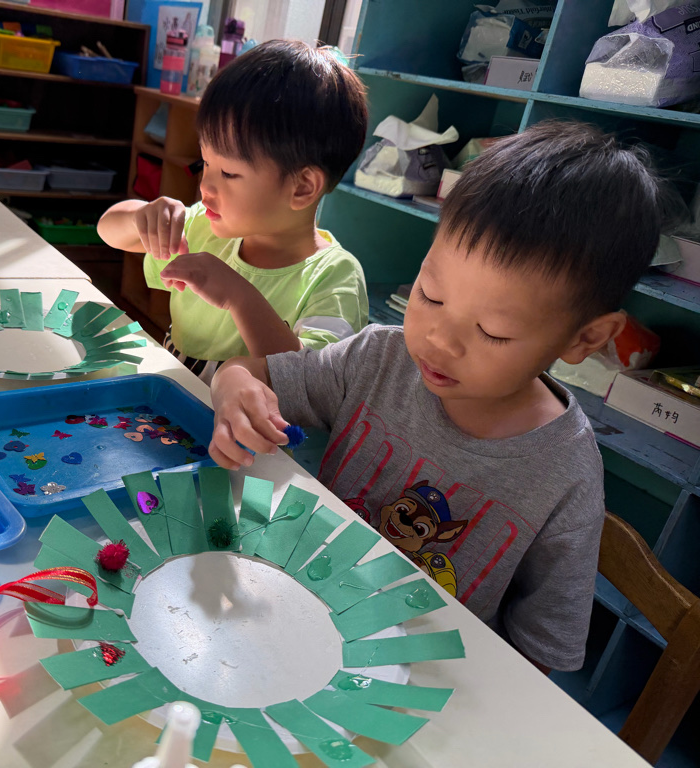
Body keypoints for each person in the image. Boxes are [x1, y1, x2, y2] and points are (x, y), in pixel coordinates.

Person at [207, 121, 665, 673]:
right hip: (293, 611)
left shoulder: (564, 475)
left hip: (417, 675)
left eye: (493, 331)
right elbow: (253, 372)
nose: (439, 341)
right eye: (430, 294)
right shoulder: (378, 358)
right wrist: (232, 384)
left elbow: (540, 656)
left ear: (585, 339)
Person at [98, 40, 369, 383]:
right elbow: (107, 230)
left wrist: (239, 298)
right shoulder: (207, 226)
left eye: (228, 173)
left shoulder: (334, 279)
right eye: (205, 163)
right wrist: (142, 216)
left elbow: (311, 384)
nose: (205, 187)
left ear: (302, 187)